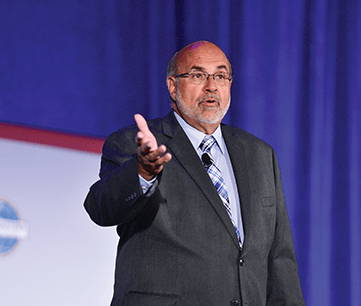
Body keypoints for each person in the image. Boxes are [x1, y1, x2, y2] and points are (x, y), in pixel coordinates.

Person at [84, 41, 305, 306]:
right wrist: (143, 171)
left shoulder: (259, 155)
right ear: (173, 85)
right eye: (198, 75)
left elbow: (279, 260)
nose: (211, 86)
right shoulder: (136, 143)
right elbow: (100, 208)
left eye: (221, 76)